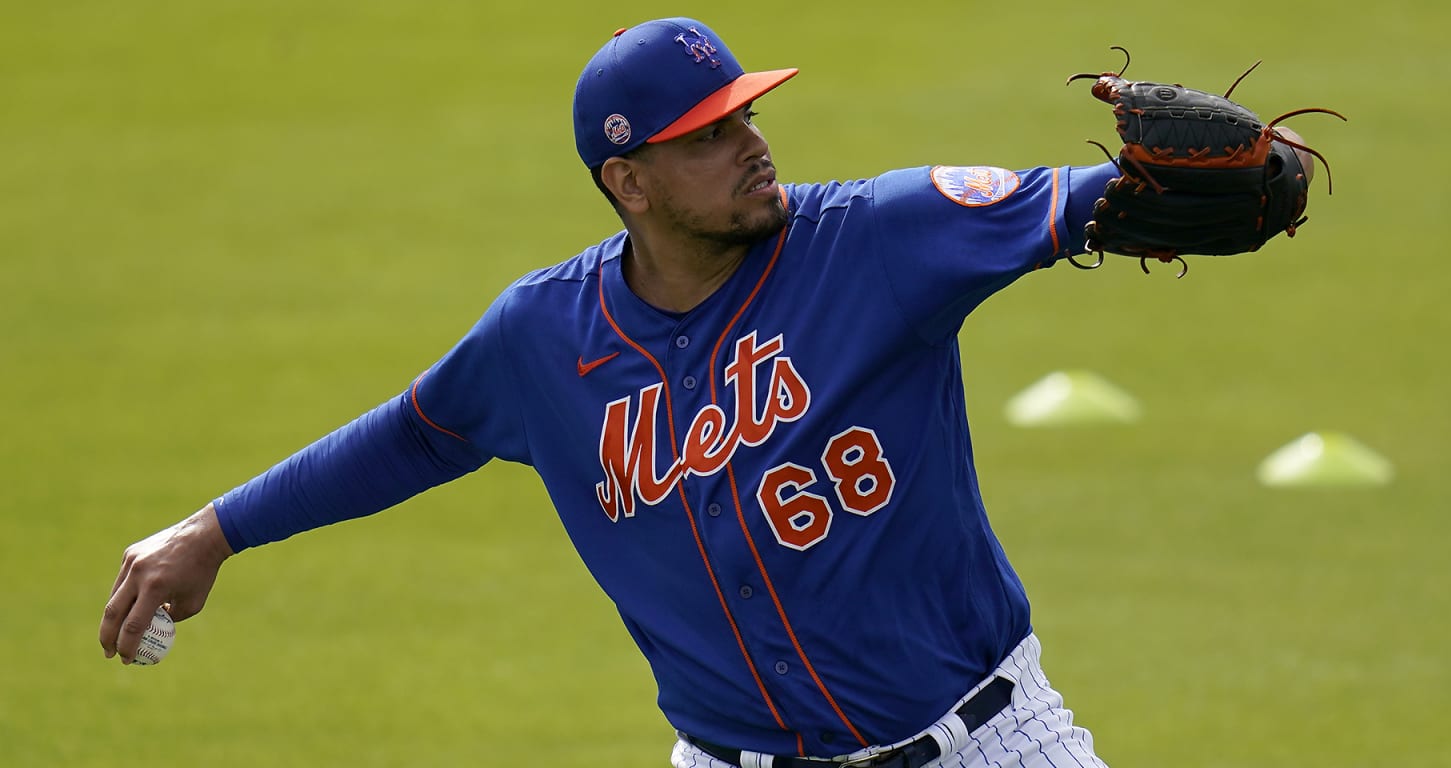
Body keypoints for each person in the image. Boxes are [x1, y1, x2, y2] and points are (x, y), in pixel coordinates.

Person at [101, 17, 1133, 767]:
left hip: (985, 740)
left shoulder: (875, 240)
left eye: (747, 114)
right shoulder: (541, 339)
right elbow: (412, 438)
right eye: (709, 136)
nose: (753, 144)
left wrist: (1222, 178)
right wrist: (215, 531)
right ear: (628, 182)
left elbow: (1095, 204)